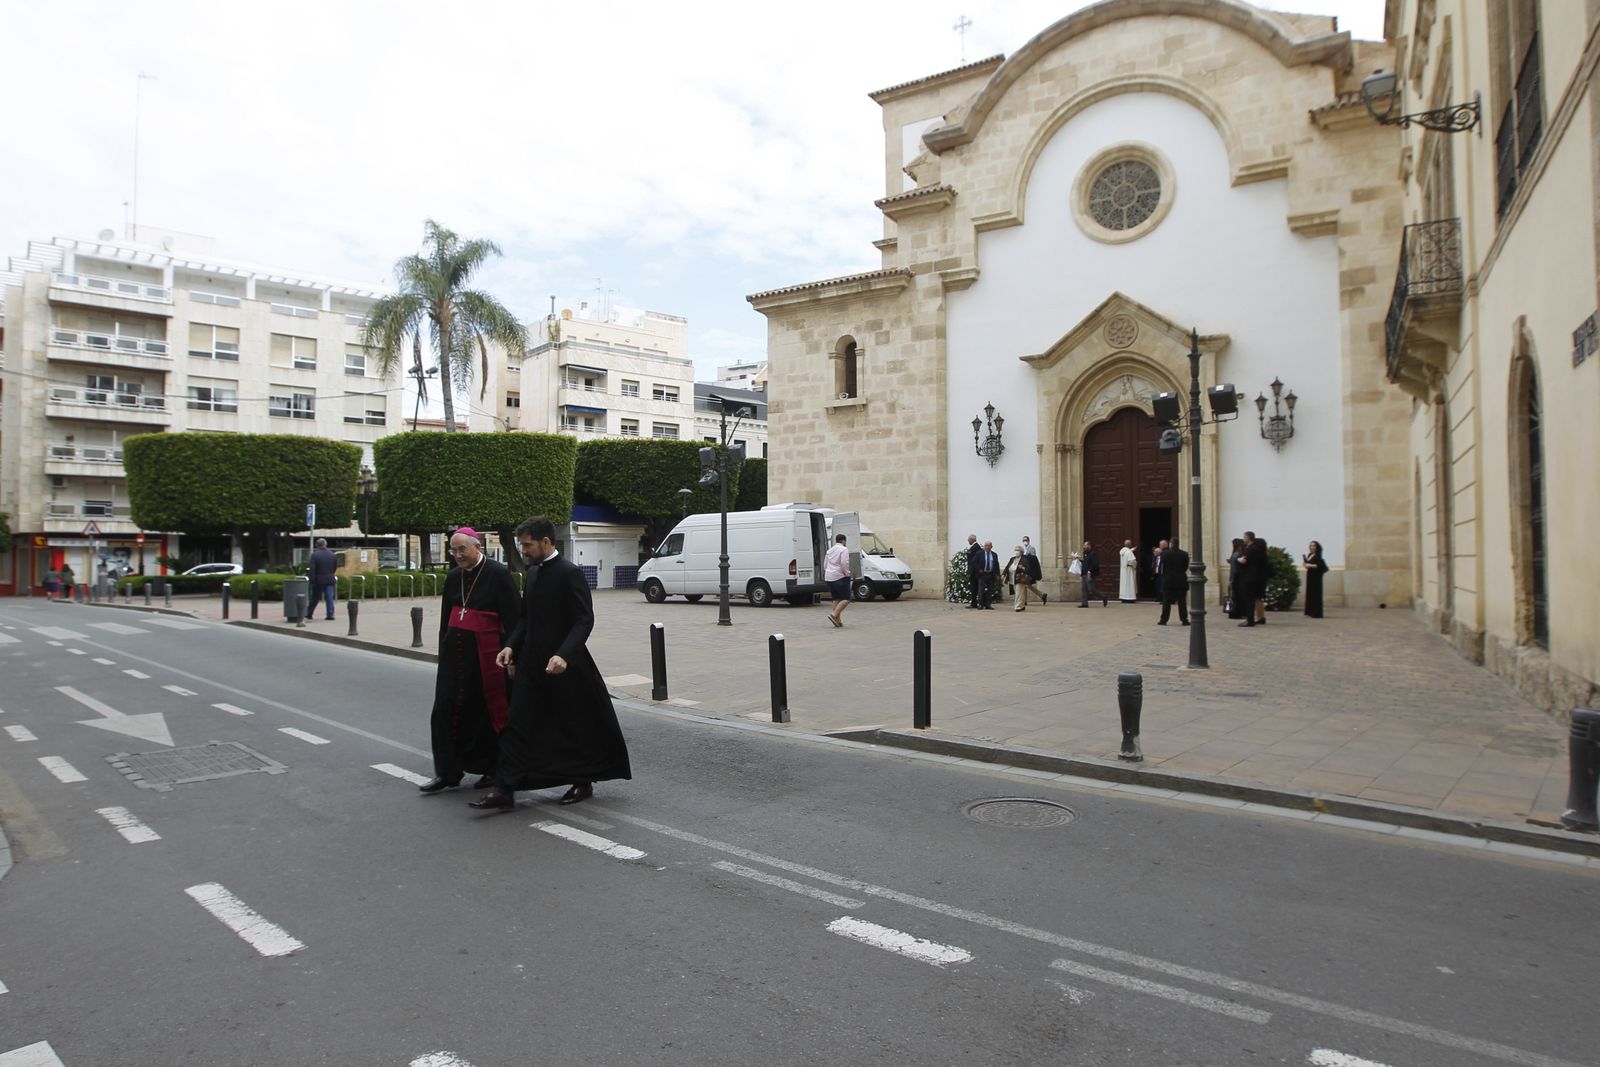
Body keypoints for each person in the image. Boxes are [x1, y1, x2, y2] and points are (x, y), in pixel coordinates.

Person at [472, 516, 632, 812]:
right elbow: (525, 618)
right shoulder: (533, 573)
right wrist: (510, 646)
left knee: (572, 725)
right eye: (522, 545)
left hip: (565, 666)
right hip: (531, 664)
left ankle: (582, 780)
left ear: (547, 542)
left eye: (528, 545)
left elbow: (584, 619)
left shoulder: (569, 573)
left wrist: (564, 654)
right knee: (516, 723)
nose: (525, 550)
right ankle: (505, 790)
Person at [419, 528, 521, 795]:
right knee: (444, 710)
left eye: (462, 549)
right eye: (453, 550)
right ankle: (447, 772)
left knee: (485, 714)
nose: (457, 555)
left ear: (478, 546)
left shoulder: (498, 574)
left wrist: (513, 655)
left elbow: (514, 617)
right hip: (455, 658)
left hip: (487, 657)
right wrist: (443, 652)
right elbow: (445, 619)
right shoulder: (453, 578)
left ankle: (491, 768)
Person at [1156, 537, 1190, 625]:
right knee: (1182, 601)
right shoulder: (1184, 554)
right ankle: (1184, 620)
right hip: (1181, 580)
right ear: (1178, 544)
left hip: (1168, 580)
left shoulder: (1165, 554)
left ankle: (1163, 620)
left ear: (1171, 544)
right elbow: (1185, 567)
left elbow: (1161, 567)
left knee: (1166, 601)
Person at [1238, 531, 1268, 627]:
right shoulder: (1258, 550)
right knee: (1255, 599)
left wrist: (1237, 559)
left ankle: (1249, 620)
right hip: (1254, 577)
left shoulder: (1250, 549)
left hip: (1248, 577)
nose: (1243, 539)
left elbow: (1243, 560)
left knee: (1249, 600)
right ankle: (1257, 618)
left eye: (1244, 537)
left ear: (1249, 538)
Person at [824, 533, 851, 628]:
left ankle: (837, 620)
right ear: (843, 541)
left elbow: (825, 565)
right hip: (840, 576)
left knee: (836, 598)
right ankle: (834, 614)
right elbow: (844, 563)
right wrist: (846, 573)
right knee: (846, 598)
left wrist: (828, 572)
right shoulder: (844, 550)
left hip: (829, 577)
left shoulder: (829, 551)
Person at [307, 537, 338, 621]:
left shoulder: (315, 555)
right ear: (325, 545)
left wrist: (311, 580)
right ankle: (330, 614)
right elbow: (334, 567)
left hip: (318, 579)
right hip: (329, 578)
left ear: (317, 545)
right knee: (329, 597)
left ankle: (309, 613)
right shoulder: (332, 555)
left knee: (315, 597)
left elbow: (312, 569)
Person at [1010, 545, 1044, 611]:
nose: (1016, 552)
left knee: (1018, 593)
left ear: (1021, 552)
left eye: (1018, 550)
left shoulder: (1025, 560)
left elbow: (1028, 569)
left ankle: (1018, 607)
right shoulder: (1012, 559)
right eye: (1015, 550)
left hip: (1021, 578)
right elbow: (1007, 567)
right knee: (1019, 593)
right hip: (1013, 578)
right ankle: (1022, 605)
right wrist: (1004, 574)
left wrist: (1022, 568)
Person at [1303, 540, 1329, 619]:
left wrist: (1310, 565)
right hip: (1310, 575)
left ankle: (1316, 612)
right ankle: (1310, 611)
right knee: (1310, 593)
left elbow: (1319, 565)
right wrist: (1306, 565)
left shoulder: (1318, 556)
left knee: (1316, 593)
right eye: (1311, 546)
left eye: (1314, 546)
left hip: (1316, 577)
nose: (1312, 547)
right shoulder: (1310, 555)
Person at [1076, 541, 1107, 607]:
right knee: (1084, 589)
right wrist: (1078, 560)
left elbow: (1095, 564)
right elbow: (1085, 563)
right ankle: (1084, 604)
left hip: (1089, 573)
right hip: (1084, 573)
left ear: (1089, 546)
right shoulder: (1085, 554)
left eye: (1085, 545)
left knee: (1091, 589)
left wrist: (1090, 571)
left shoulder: (1093, 554)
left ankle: (1103, 597)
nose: (1084, 547)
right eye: (1084, 545)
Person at [1226, 538, 1247, 619]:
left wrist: (1231, 580)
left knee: (1235, 597)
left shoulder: (1235, 554)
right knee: (1240, 597)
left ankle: (1235, 613)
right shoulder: (1241, 554)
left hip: (1236, 579)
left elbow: (1234, 569)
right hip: (1240, 578)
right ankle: (1241, 612)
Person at [978, 540, 1000, 609]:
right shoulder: (979, 553)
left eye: (988, 546)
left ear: (991, 547)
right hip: (982, 574)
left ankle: (988, 604)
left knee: (990, 590)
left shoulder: (994, 555)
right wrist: (979, 569)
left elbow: (996, 565)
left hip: (991, 574)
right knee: (981, 590)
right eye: (986, 546)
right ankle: (980, 604)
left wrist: (997, 574)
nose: (987, 547)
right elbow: (975, 563)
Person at [965, 534, 983, 609]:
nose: (968, 541)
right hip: (974, 571)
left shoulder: (975, 547)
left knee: (974, 588)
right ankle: (974, 602)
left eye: (968, 540)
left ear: (972, 540)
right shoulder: (975, 547)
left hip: (974, 572)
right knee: (973, 588)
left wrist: (970, 571)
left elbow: (973, 561)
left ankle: (974, 603)